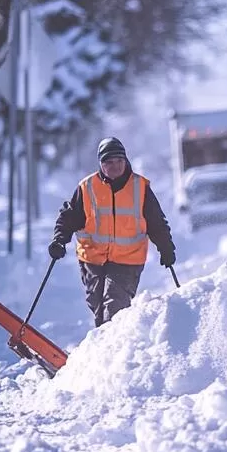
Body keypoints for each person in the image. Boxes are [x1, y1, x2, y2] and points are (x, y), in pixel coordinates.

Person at [49, 137, 176, 327]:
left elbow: (156, 222)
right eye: (109, 162)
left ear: (126, 161)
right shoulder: (87, 187)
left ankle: (112, 349)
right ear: (101, 164)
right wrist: (59, 240)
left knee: (115, 307)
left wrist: (166, 248)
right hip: (92, 259)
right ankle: (105, 349)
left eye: (119, 160)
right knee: (98, 307)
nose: (115, 166)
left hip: (128, 260)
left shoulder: (140, 187)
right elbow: (68, 218)